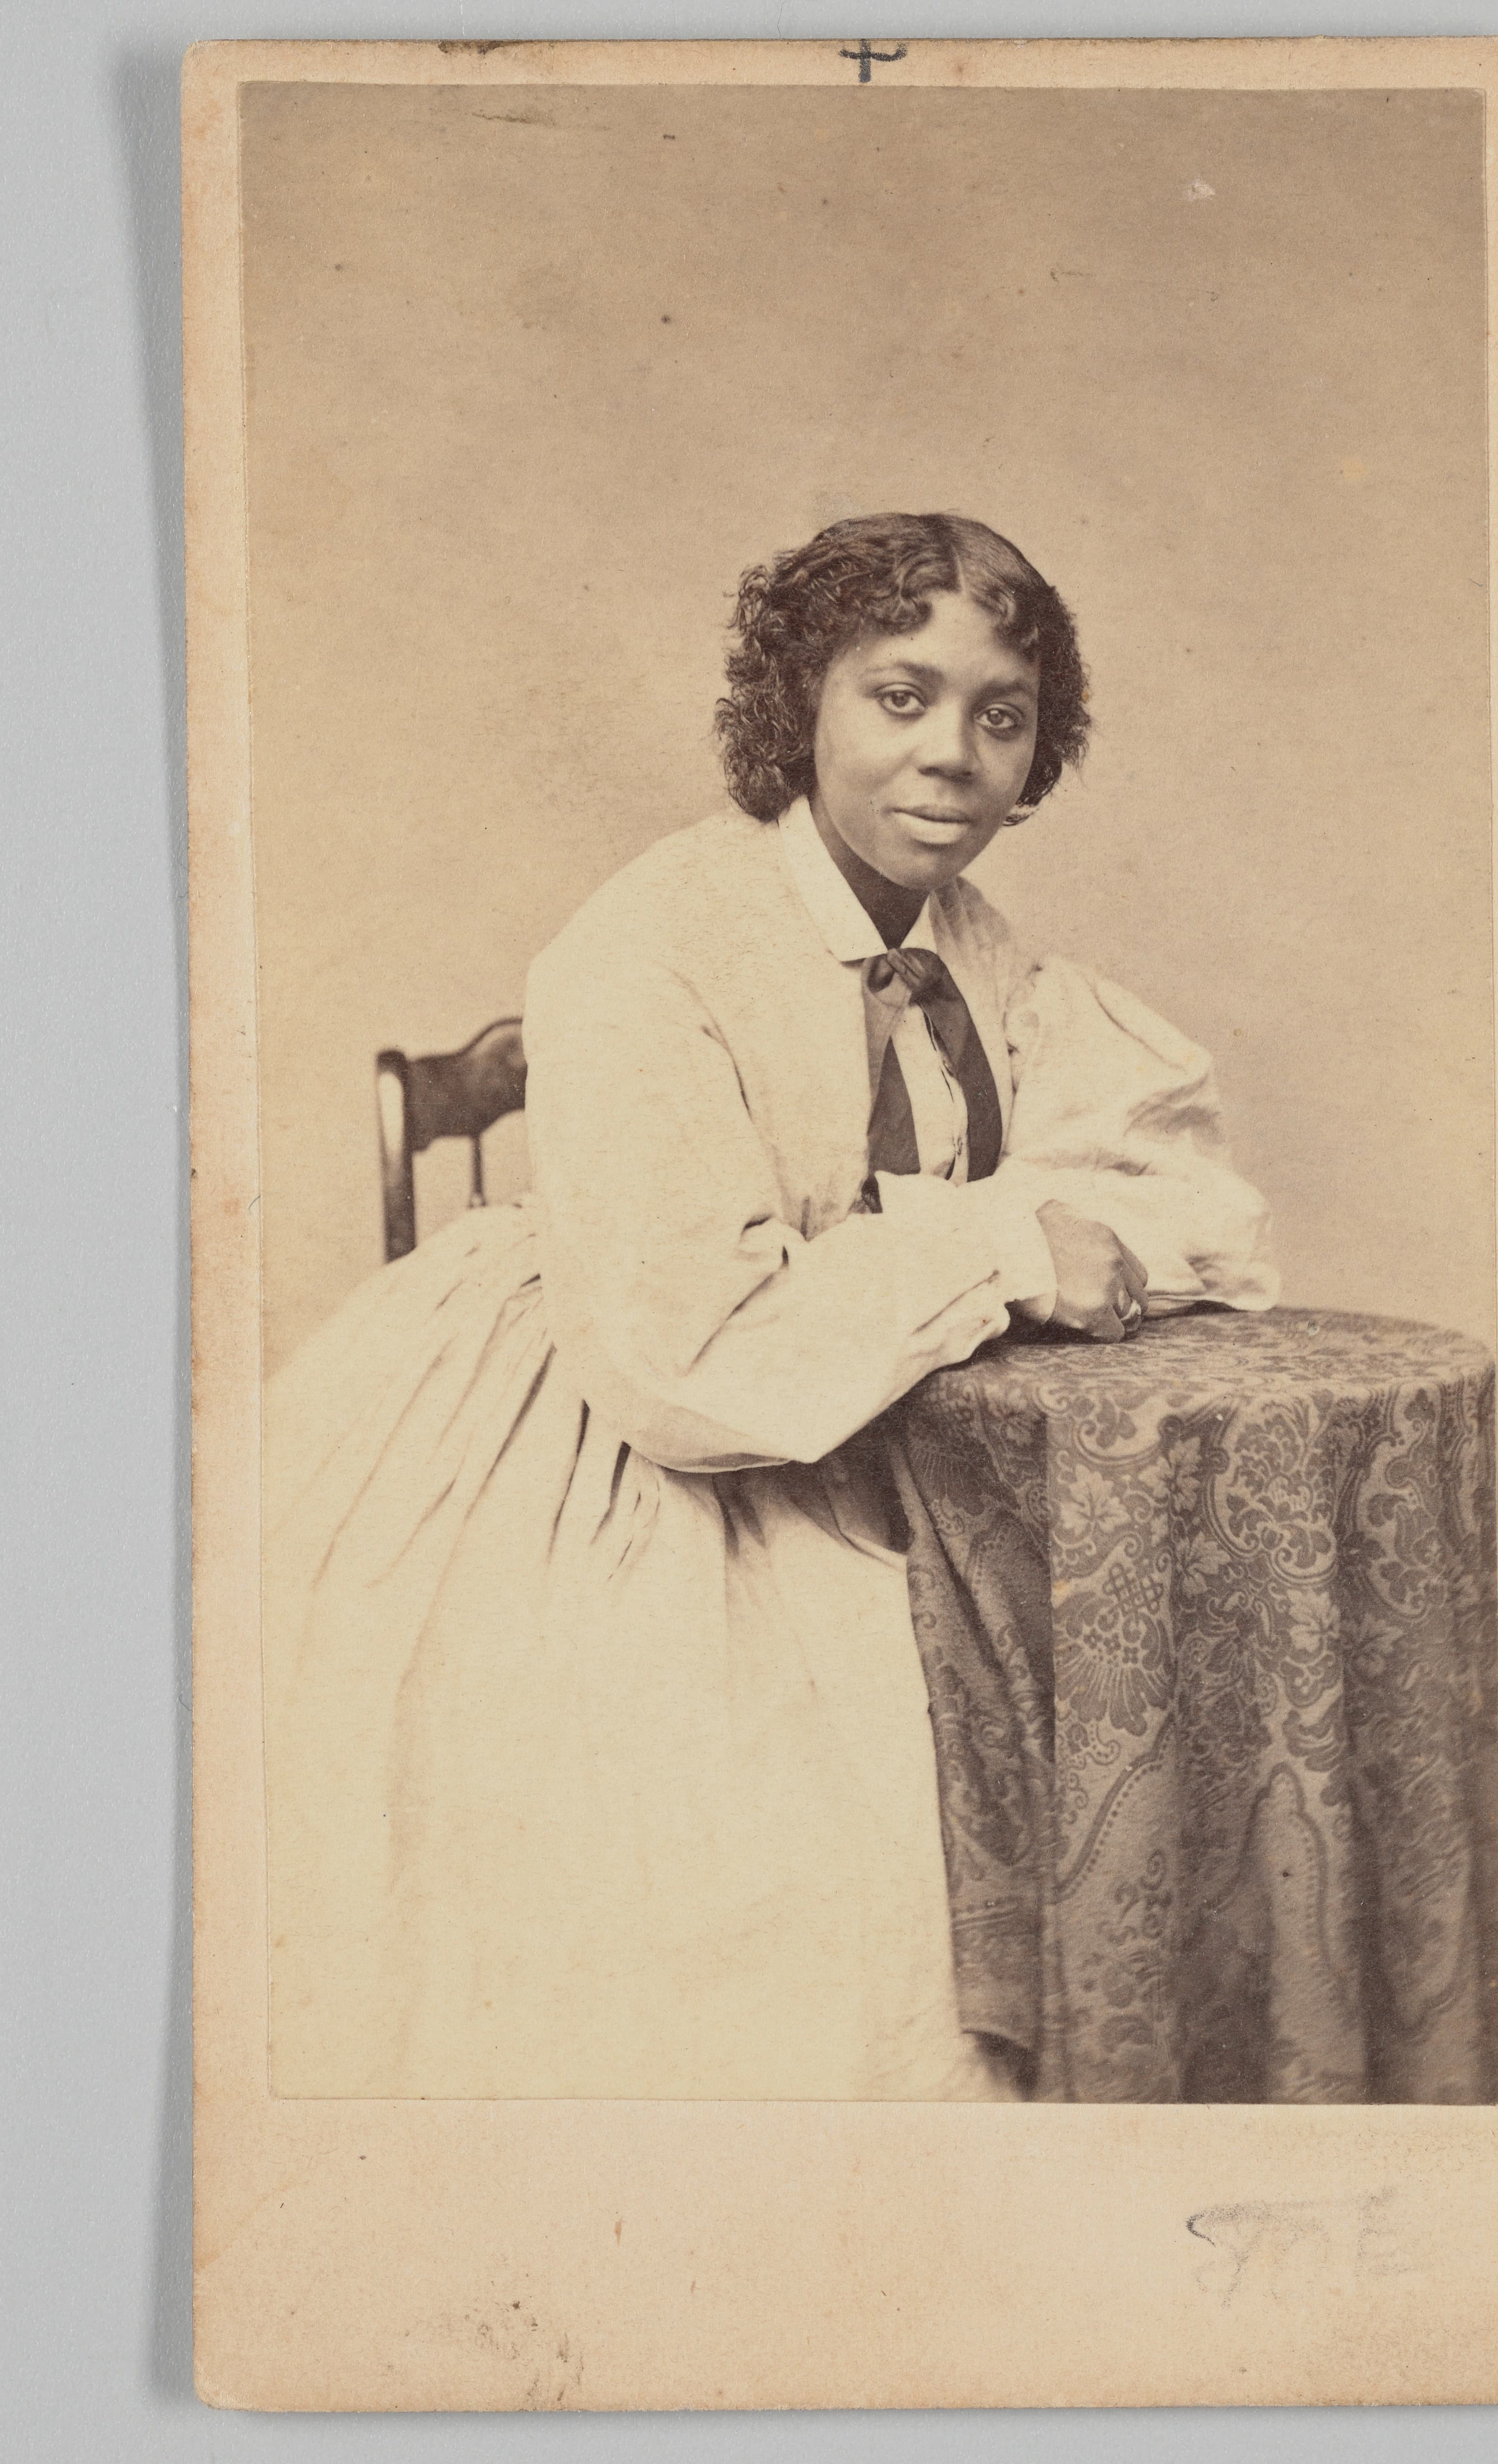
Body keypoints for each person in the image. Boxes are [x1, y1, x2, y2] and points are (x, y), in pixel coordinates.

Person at [264, 513, 1278, 2103]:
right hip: (626, 1437)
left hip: (883, 1406)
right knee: (794, 1847)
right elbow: (687, 1353)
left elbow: (1173, 1191)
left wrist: (1021, 1239)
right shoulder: (652, 938)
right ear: (802, 703)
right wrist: (1003, 1251)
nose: (952, 754)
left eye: (1000, 715)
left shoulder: (982, 954)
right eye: (901, 696)